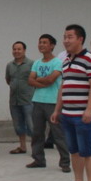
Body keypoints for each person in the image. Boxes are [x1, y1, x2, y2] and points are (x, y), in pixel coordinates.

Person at [51, 24, 91, 181]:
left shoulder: (90, 59)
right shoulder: (66, 61)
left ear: (80, 39)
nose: (66, 41)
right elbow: (63, 86)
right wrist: (57, 109)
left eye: (70, 37)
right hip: (67, 114)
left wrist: (89, 109)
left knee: (87, 150)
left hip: (83, 115)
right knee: (74, 150)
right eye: (65, 37)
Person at [27, 34, 71, 172]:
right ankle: (38, 159)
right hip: (37, 101)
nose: (41, 45)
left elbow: (51, 80)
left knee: (58, 134)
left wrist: (39, 80)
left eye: (45, 42)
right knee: (37, 133)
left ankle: (65, 162)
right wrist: (42, 81)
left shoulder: (57, 62)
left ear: (52, 45)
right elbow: (30, 80)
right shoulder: (37, 63)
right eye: (40, 42)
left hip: (53, 102)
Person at [6, 41, 34, 155]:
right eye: (14, 49)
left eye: (19, 49)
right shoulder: (9, 65)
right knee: (18, 125)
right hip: (14, 100)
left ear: (24, 50)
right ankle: (22, 146)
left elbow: (35, 79)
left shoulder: (31, 64)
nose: (16, 51)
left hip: (28, 99)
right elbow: (8, 80)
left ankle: (36, 148)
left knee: (31, 125)